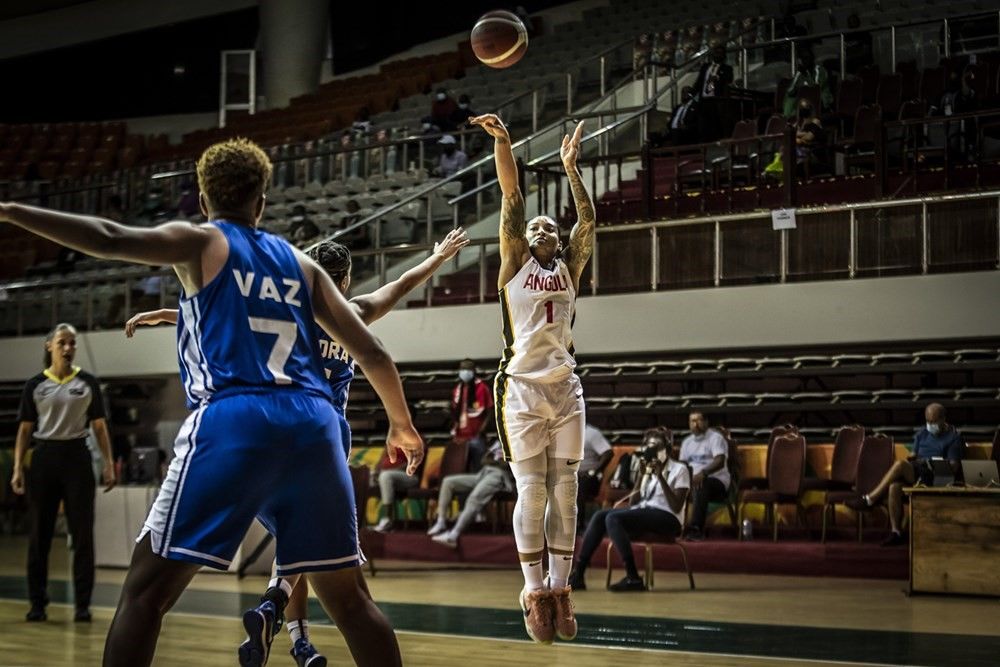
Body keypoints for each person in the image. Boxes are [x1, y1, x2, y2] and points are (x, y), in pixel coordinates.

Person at [0, 137, 425, 667]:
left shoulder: (203, 242)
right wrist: (401, 425)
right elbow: (375, 353)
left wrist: (11, 209)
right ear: (262, 203)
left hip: (236, 418)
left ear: (203, 201)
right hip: (316, 426)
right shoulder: (301, 265)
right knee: (350, 599)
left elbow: (108, 237)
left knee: (145, 594)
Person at [126, 227, 470, 666]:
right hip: (326, 439)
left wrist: (165, 314)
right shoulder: (355, 313)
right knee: (330, 573)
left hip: (269, 433)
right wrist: (437, 258)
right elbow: (400, 286)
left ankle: (280, 607)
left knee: (280, 539)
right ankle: (282, 609)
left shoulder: (281, 310)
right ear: (342, 281)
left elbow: (224, 312)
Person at [470, 113, 595, 645]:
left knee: (566, 492)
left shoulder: (571, 264)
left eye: (551, 225)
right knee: (534, 490)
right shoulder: (513, 263)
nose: (542, 227)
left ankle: (560, 590)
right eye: (535, 226)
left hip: (565, 386)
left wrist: (571, 168)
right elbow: (512, 194)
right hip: (520, 386)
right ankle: (531, 590)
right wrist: (505, 143)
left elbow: (588, 221)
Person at [10, 322, 116, 623]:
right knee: (39, 535)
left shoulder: (88, 383)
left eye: (72, 343)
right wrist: (18, 467)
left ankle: (82, 605)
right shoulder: (35, 385)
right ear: (49, 346)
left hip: (77, 458)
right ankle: (37, 604)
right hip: (44, 458)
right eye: (62, 343)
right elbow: (24, 430)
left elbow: (99, 426)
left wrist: (108, 463)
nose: (68, 348)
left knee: (82, 535)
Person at [567, 427, 690, 592]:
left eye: (657, 447)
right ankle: (579, 573)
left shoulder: (680, 469)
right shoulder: (649, 471)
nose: (652, 451)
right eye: (649, 447)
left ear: (667, 449)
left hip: (668, 519)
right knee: (600, 515)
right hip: (646, 513)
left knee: (612, 518)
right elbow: (633, 503)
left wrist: (660, 476)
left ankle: (633, 576)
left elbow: (676, 506)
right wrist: (641, 477)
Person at [857, 403, 965, 547]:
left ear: (943, 418)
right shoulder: (921, 434)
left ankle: (871, 498)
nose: (930, 425)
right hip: (918, 471)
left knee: (900, 465)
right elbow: (913, 454)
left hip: (937, 476)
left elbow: (953, 468)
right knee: (894, 486)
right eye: (928, 421)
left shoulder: (954, 437)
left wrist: (932, 463)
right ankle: (896, 532)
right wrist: (913, 459)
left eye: (934, 421)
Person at [428, 440, 515, 547]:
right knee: (448, 482)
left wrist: (500, 460)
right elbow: (484, 460)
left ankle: (453, 535)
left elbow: (508, 465)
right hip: (483, 473)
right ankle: (441, 521)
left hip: (498, 476)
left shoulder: (517, 441)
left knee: (474, 498)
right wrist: (498, 460)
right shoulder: (499, 441)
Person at [678, 412, 729, 541]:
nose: (695, 424)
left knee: (701, 483)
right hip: (693, 481)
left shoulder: (715, 438)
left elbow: (720, 461)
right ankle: (672, 527)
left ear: (706, 422)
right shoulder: (687, 442)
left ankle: (696, 529)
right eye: (692, 421)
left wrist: (703, 473)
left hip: (717, 481)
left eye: (698, 420)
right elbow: (683, 465)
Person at [451, 358, 493, 470]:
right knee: (460, 469)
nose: (465, 372)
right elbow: (455, 412)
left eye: (468, 369)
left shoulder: (482, 388)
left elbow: (489, 410)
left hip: (476, 436)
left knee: (478, 467)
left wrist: (481, 430)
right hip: (460, 437)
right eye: (463, 369)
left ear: (473, 371)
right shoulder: (458, 389)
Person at [577, 423, 613, 527]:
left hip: (589, 477)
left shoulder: (591, 433)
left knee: (578, 486)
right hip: (569, 474)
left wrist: (594, 471)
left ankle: (579, 524)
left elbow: (608, 453)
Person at [783, 49, 832, 118]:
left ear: (812, 59)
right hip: (804, 103)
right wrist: (798, 76)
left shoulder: (820, 70)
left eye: (807, 58)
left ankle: (791, 120)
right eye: (803, 58)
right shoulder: (800, 73)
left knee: (805, 97)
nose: (806, 61)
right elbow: (790, 91)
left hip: (821, 102)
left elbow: (816, 89)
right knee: (791, 98)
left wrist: (806, 75)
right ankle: (787, 120)